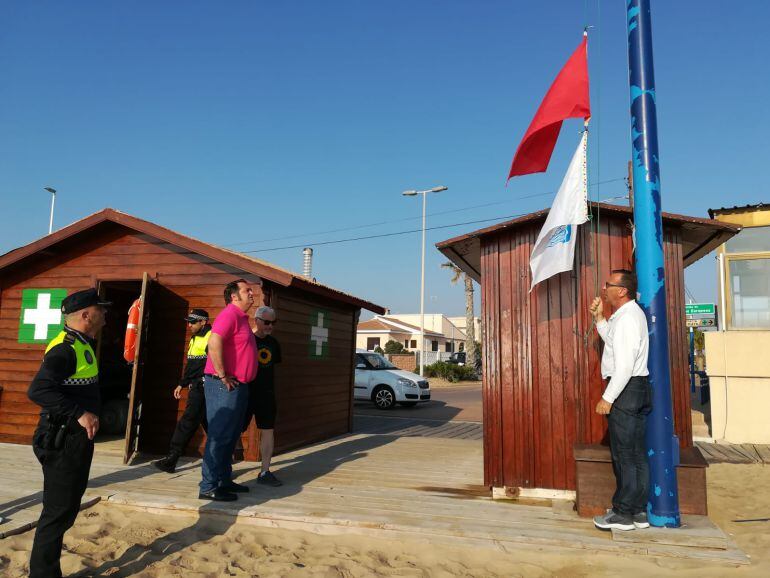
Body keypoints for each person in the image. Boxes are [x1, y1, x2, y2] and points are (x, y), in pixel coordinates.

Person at [27, 288, 110, 578]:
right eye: (100, 309)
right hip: (62, 440)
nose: (105, 313)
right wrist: (80, 413)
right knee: (57, 511)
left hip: (73, 440)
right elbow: (38, 390)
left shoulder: (82, 343)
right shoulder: (65, 348)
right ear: (86, 314)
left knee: (64, 509)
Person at [590, 269, 652, 532]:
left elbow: (624, 366)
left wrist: (607, 398)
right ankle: (638, 511)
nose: (605, 288)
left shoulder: (628, 319)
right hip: (634, 388)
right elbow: (614, 344)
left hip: (626, 389)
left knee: (625, 455)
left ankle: (623, 513)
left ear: (622, 290)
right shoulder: (626, 316)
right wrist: (599, 318)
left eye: (609, 285)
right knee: (636, 454)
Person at [199, 279, 259, 501]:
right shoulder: (229, 314)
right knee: (219, 435)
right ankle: (208, 486)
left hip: (238, 386)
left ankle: (223, 480)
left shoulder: (242, 318)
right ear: (234, 296)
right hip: (223, 385)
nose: (252, 293)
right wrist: (223, 375)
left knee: (230, 435)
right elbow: (214, 343)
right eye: (247, 290)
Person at [153, 309, 212, 473]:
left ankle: (171, 459)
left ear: (203, 322)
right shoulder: (194, 338)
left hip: (203, 387)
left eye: (193, 322)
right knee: (210, 424)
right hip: (196, 385)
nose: (189, 325)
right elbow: (192, 365)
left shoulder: (211, 336)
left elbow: (204, 366)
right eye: (188, 321)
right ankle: (222, 458)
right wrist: (182, 384)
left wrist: (194, 382)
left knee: (188, 422)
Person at [242, 306, 283, 486]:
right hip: (245, 393)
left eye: (273, 323)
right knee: (235, 429)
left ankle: (265, 471)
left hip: (266, 394)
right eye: (266, 322)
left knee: (268, 431)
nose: (270, 326)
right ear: (256, 320)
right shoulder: (245, 339)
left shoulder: (274, 343)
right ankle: (225, 468)